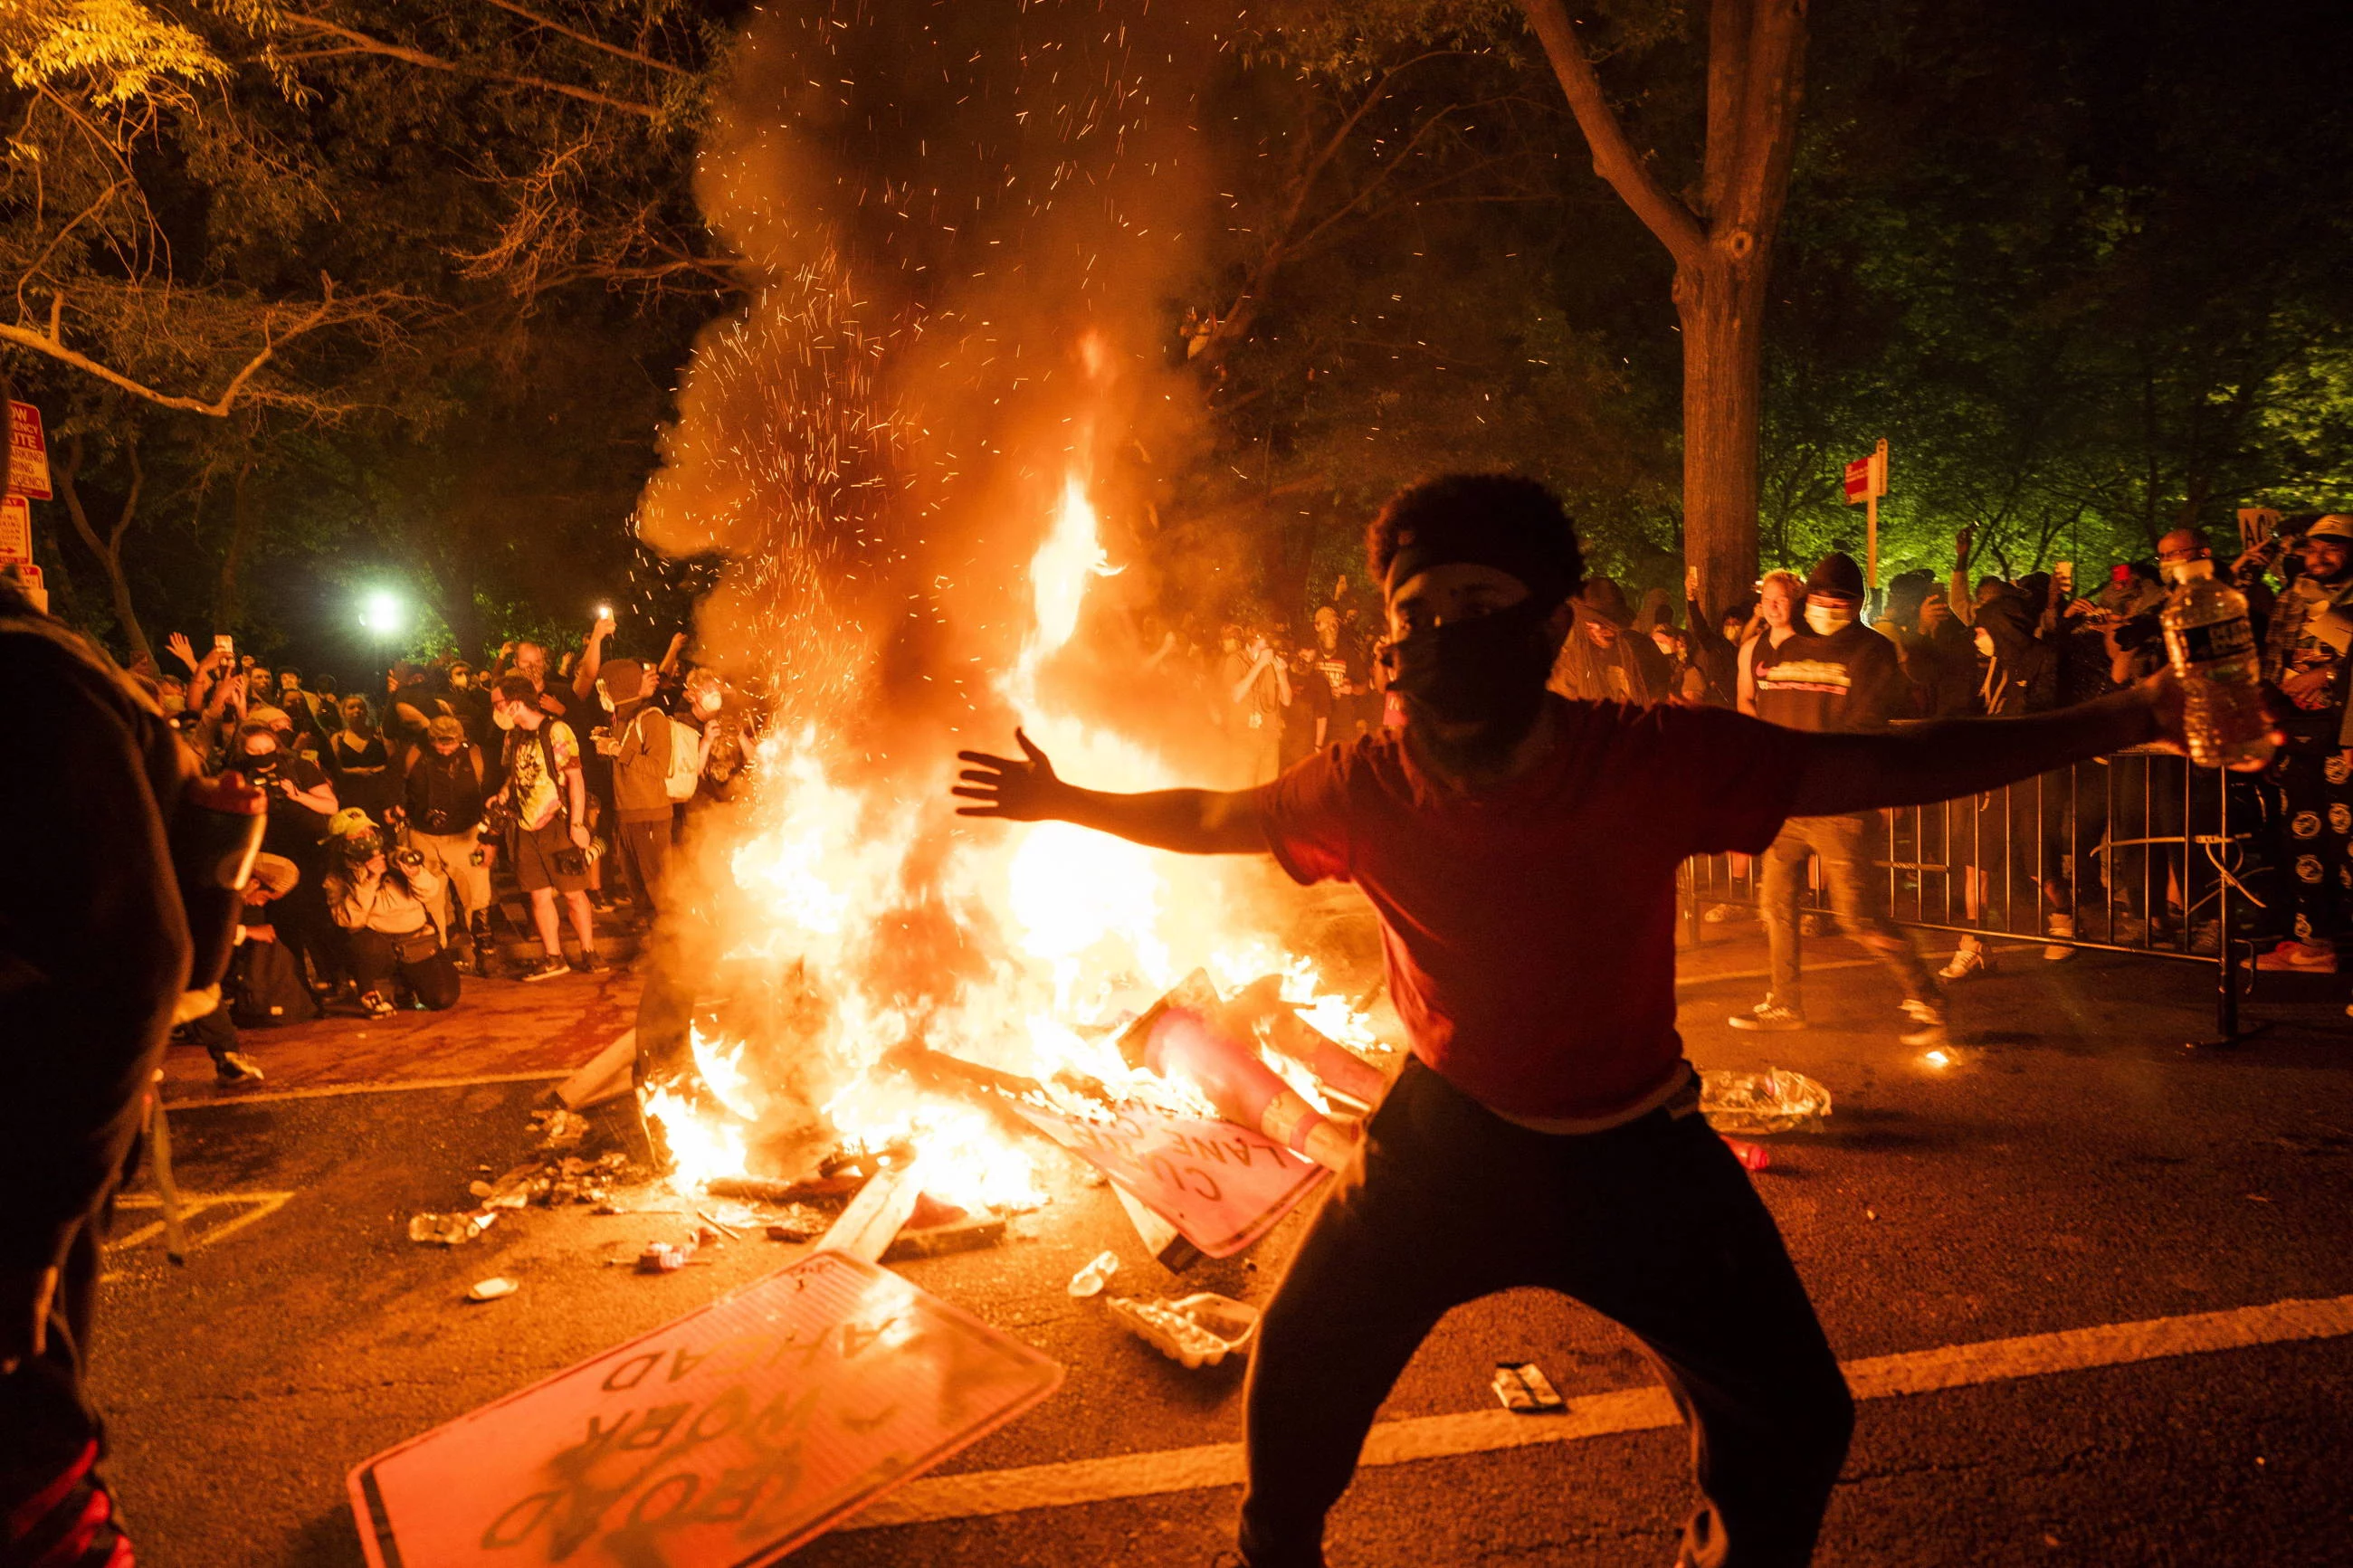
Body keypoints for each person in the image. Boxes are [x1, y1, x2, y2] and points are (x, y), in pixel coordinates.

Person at [952, 472, 2241, 1568]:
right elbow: (1219, 813)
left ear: (1551, 625)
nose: (1440, 632)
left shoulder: (1648, 758)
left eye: (1477, 606)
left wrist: (2124, 717)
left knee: (1794, 1416)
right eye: (1417, 610)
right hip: (1443, 1144)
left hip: (1638, 1151)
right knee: (1299, 1373)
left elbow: (1887, 767)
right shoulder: (1367, 782)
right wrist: (1070, 802)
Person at [2, 577, 203, 1567]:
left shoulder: (25, 674)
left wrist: (31, 1237)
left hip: (6, 1162)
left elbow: (139, 957)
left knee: (28, 1493)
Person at [1734, 552, 1947, 1043]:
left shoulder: (1871, 652)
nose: (1828, 606)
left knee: (1860, 917)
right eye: (1822, 597)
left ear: (1857, 605)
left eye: (1840, 601)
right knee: (1776, 907)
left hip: (1840, 808)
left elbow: (1864, 728)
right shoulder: (1781, 649)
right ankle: (1785, 1003)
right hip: (1786, 806)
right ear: (1808, 597)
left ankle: (1926, 997)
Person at [2252, 513, 2353, 974]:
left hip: (2346, 738)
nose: (2320, 556)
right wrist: (2270, 736)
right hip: (2299, 737)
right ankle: (2314, 943)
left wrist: (2328, 673)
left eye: (2333, 547)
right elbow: (2272, 670)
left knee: (2346, 844)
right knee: (2302, 839)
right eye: (2313, 548)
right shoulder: (2291, 599)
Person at [491, 674, 603, 979]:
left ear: (515, 703)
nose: (496, 710)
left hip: (557, 823)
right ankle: (554, 956)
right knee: (539, 895)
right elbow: (516, 773)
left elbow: (576, 779)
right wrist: (503, 793)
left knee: (573, 893)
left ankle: (588, 951)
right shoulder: (513, 736)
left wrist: (577, 824)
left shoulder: (556, 730)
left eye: (498, 704)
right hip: (526, 826)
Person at [321, 817, 461, 1015]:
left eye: (370, 830)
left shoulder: (396, 856)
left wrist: (415, 874)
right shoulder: (337, 877)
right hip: (379, 944)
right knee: (364, 943)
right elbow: (348, 920)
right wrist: (370, 880)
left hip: (416, 940)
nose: (367, 837)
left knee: (443, 998)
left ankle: (407, 984)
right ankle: (375, 988)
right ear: (342, 842)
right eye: (358, 834)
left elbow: (430, 892)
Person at [395, 715, 497, 976]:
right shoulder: (412, 754)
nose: (443, 749)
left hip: (467, 836)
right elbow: (393, 784)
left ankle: (484, 950)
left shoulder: (477, 757)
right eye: (438, 744)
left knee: (477, 893)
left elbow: (494, 800)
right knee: (429, 897)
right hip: (422, 837)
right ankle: (435, 955)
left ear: (461, 740)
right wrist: (393, 806)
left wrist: (490, 840)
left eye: (449, 744)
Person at [607, 657, 699, 919]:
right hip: (626, 815)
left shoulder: (652, 718)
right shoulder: (621, 718)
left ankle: (673, 947)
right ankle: (650, 948)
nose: (601, 692)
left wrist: (617, 750)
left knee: (659, 891)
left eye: (606, 686)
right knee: (637, 890)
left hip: (650, 815)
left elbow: (658, 768)